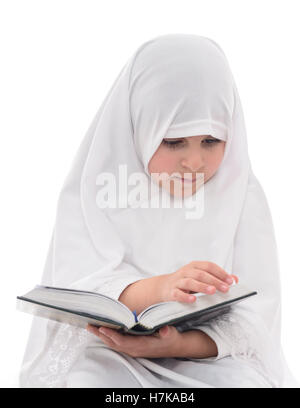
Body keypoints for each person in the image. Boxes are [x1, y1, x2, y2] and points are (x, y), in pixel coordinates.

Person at [19, 33, 299, 388]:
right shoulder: (98, 185)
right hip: (110, 353)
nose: (194, 162)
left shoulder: (240, 192)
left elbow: (256, 319)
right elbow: (80, 288)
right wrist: (162, 287)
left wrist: (179, 343)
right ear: (138, 126)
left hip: (203, 357)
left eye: (211, 141)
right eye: (173, 141)